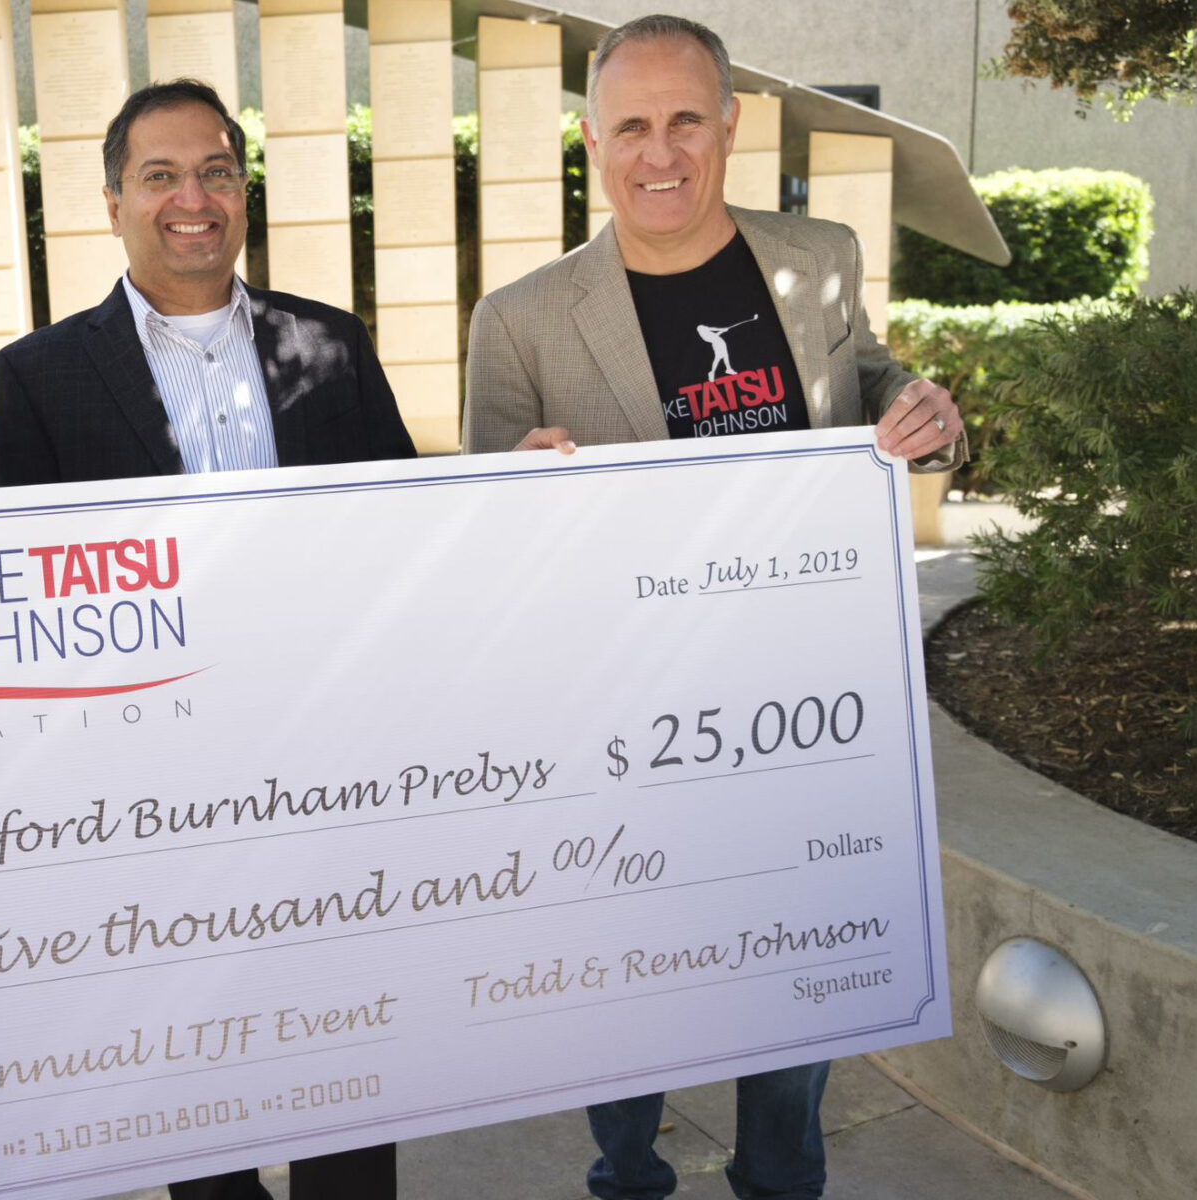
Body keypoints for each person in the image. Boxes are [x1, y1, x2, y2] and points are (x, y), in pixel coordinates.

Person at [462, 15, 964, 1200]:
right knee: (629, 1003)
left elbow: (874, 384)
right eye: (629, 125)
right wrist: (513, 495)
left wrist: (926, 416)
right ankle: (627, 1173)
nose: (659, 151)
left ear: (729, 122)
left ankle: (780, 1181)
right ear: (591, 140)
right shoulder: (522, 318)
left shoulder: (818, 256)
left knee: (795, 1004)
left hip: (805, 710)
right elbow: (480, 547)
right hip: (622, 732)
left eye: (685, 118)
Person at [0, 79, 413, 1200]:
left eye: (215, 171)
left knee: (343, 1067)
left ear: (242, 190)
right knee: (194, 1085)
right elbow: (27, 608)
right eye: (160, 175)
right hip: (152, 797)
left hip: (328, 776)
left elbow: (408, 542)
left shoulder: (332, 344)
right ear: (112, 200)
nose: (192, 198)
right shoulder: (35, 377)